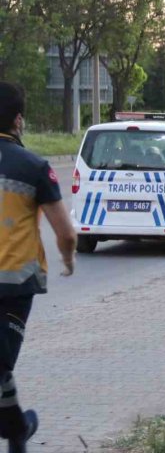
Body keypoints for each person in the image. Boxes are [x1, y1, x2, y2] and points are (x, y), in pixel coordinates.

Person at [0, 82, 76, 452]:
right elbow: (65, 231)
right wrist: (68, 258)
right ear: (17, 120)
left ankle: (16, 430)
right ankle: (17, 428)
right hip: (14, 286)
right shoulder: (33, 167)